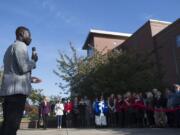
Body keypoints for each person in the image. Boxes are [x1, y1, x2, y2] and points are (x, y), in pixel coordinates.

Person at [0, 26, 37, 135]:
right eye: (28, 35)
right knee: (12, 126)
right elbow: (23, 67)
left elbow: (15, 70)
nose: (30, 38)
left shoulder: (9, 48)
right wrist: (33, 61)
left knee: (7, 125)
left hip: (8, 92)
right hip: (17, 92)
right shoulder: (21, 46)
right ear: (21, 34)